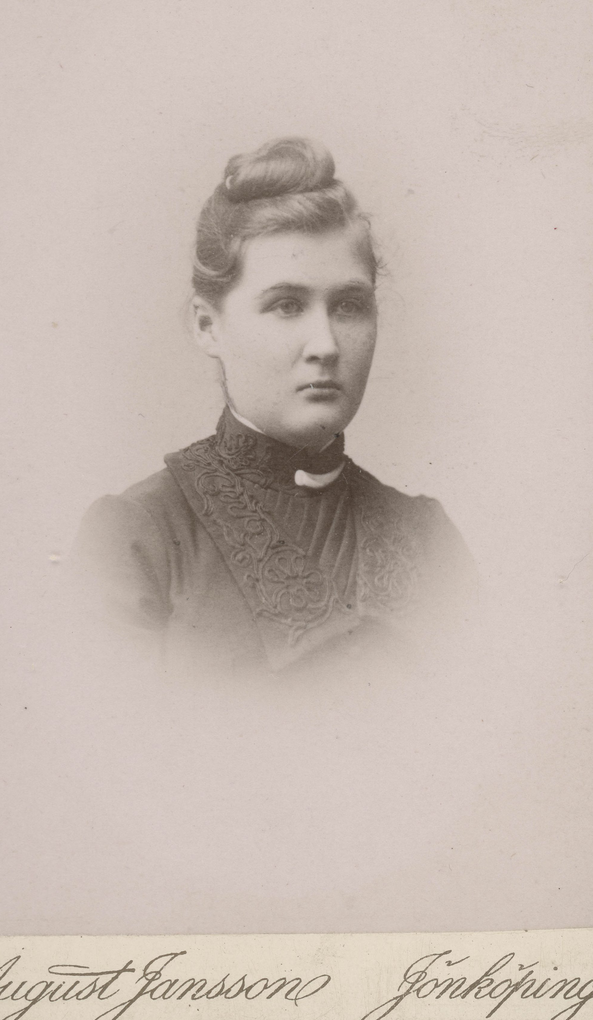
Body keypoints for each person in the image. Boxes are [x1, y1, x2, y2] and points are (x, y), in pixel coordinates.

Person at [74, 137, 475, 676]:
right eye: (287, 306)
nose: (326, 344)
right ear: (207, 325)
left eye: (349, 306)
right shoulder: (140, 537)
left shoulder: (428, 539)